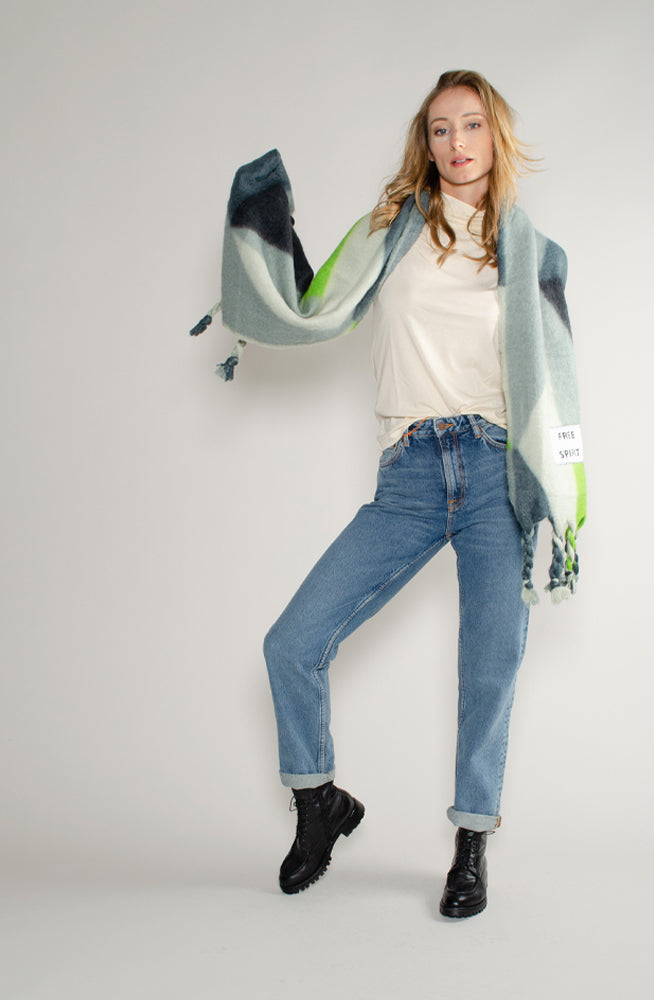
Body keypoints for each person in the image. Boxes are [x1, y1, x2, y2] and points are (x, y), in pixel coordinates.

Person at [196, 69, 586, 918]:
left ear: (495, 136)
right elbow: (314, 303)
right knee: (291, 643)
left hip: (495, 473)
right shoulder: (390, 230)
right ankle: (319, 803)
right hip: (409, 473)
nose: (456, 142)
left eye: (471, 125)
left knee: (489, 669)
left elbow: (558, 389)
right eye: (441, 128)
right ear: (426, 142)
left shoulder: (534, 255)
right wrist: (262, 230)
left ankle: (471, 845)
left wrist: (562, 500)